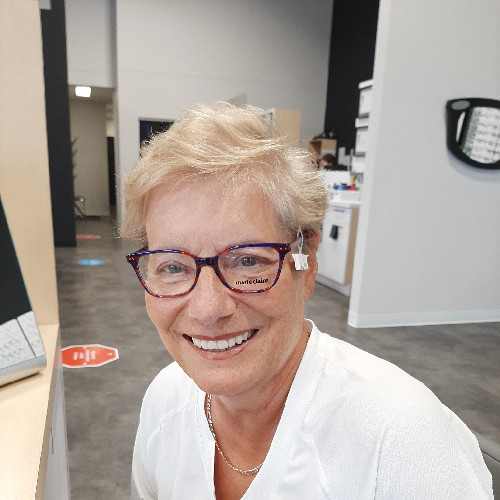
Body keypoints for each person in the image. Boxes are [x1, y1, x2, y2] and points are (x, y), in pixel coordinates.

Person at [122, 102, 492, 499]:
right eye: (173, 267)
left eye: (248, 261)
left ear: (307, 263)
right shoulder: (165, 400)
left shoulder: (405, 446)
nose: (208, 309)